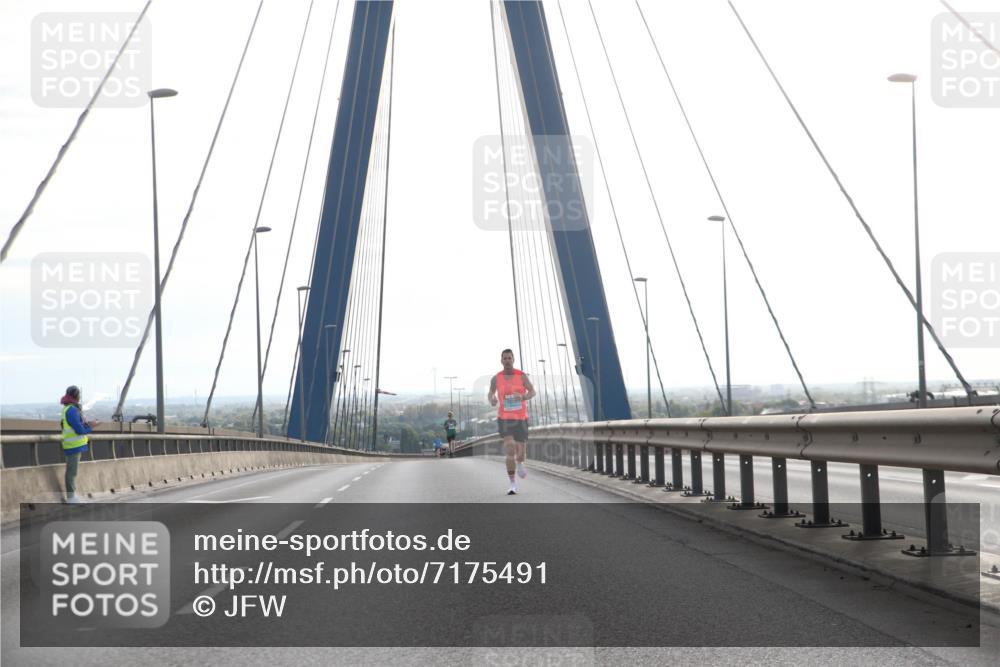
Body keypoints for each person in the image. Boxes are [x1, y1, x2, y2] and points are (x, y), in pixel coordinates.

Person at [487, 349, 535, 495]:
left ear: (513, 360)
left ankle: (520, 462)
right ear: (501, 361)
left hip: (521, 419)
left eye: (509, 358)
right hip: (505, 418)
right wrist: (492, 399)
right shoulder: (496, 378)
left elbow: (532, 391)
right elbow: (491, 392)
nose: (507, 360)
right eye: (505, 358)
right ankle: (512, 484)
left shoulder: (521, 376)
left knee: (520, 453)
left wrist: (524, 397)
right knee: (510, 449)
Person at [59, 385, 98, 504]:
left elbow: (77, 426)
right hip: (73, 446)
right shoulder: (71, 410)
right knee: (72, 471)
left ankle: (72, 496)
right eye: (79, 395)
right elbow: (79, 430)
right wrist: (92, 426)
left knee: (72, 471)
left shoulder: (69, 408)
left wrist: (88, 424)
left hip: (74, 445)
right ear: (76, 396)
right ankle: (71, 498)